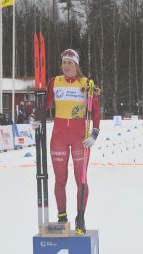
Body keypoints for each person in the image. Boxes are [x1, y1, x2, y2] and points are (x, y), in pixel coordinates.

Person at [30, 49, 101, 233]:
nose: (66, 66)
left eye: (70, 62)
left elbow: (96, 110)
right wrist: (35, 117)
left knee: (81, 180)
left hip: (80, 138)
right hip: (59, 137)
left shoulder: (87, 83)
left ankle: (80, 217)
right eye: (64, 63)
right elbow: (44, 106)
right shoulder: (55, 82)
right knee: (60, 179)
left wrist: (94, 132)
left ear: (76, 65)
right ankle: (62, 217)